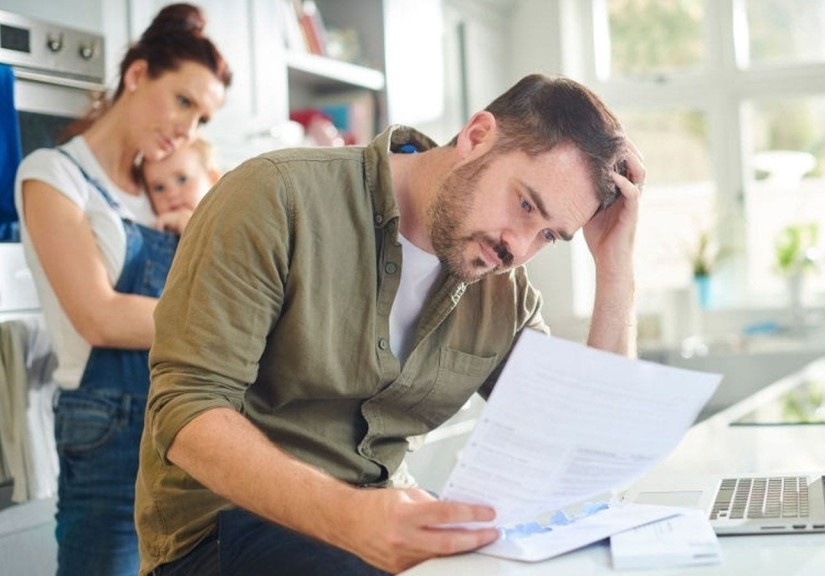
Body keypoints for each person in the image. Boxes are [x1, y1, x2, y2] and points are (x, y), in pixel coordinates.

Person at [136, 73, 645, 576]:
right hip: (224, 533)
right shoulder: (276, 194)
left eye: (549, 236)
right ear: (476, 136)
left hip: (375, 529)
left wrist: (615, 269)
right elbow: (187, 409)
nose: (519, 248)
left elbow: (581, 443)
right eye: (526, 204)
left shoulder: (503, 293)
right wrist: (351, 517)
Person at [13, 4, 231, 575]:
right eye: (184, 101)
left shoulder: (165, 189)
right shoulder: (54, 175)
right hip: (105, 429)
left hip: (189, 422)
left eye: (203, 118)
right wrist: (229, 325)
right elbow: (99, 317)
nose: (188, 128)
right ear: (137, 76)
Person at [140, 136, 220, 233]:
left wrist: (190, 227)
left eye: (182, 179)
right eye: (159, 188)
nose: (171, 194)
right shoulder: (155, 229)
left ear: (213, 180)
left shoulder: (227, 222)